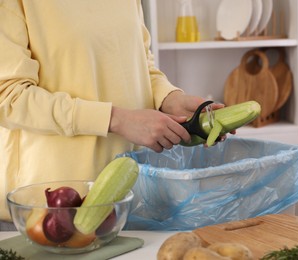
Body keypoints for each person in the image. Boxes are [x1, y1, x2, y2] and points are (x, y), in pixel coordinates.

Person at [0, 0, 224, 230]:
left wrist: (170, 98)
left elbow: (141, 62)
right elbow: (8, 96)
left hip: (131, 194)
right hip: (53, 207)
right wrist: (116, 119)